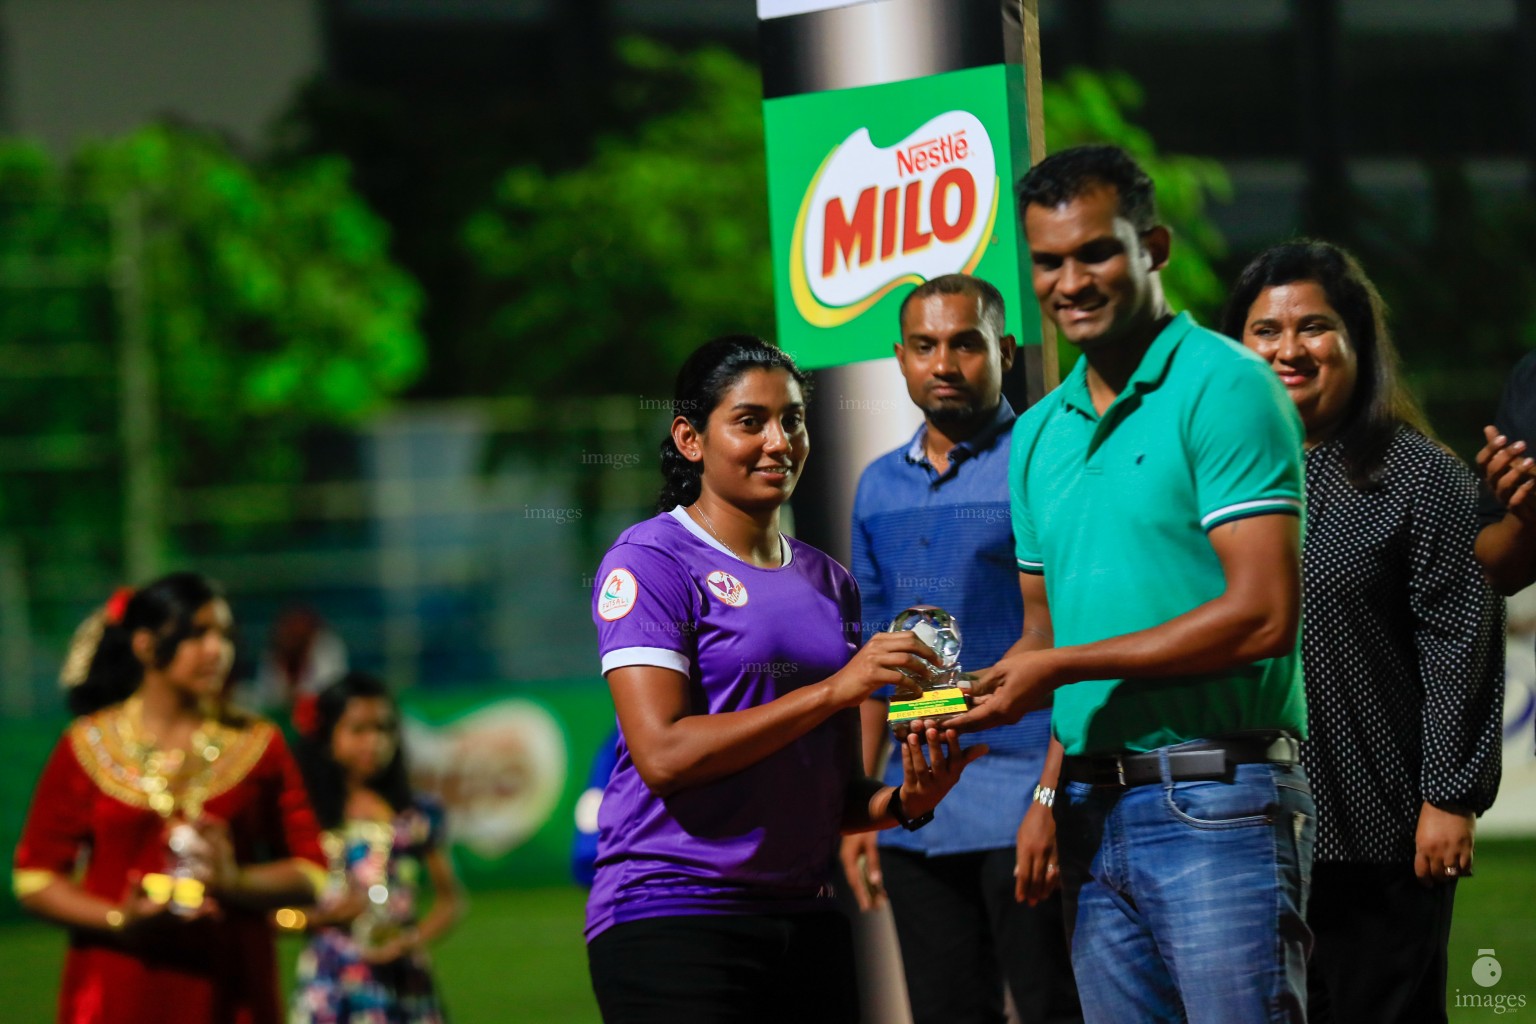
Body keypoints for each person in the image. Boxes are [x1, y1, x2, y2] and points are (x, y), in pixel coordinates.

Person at [938, 145, 1314, 1023]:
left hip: (1218, 799)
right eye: (1048, 261)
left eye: (1095, 251)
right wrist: (970, 698)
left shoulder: (1229, 388)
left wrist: (1058, 669)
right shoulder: (1036, 435)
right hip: (1088, 814)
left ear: (1155, 245)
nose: (1071, 280)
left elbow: (1263, 617)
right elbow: (1042, 638)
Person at [586, 334, 984, 1023]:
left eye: (793, 419)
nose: (779, 441)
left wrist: (908, 801)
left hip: (806, 917)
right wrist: (836, 688)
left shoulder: (829, 582)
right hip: (673, 916)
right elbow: (664, 755)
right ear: (689, 438)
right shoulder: (650, 561)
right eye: (750, 421)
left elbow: (832, 794)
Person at [1221, 239, 1504, 1023]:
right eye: (1264, 331)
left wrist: (1451, 797)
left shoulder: (1421, 477)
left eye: (1313, 327)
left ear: (1356, 341)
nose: (1288, 348)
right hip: (1236, 830)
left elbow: (1461, 644)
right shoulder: (1212, 479)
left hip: (1376, 833)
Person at [838, 273, 1079, 1024]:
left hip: (1025, 804)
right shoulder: (876, 486)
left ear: (1005, 350)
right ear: (901, 359)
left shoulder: (1045, 463)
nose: (944, 362)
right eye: (924, 345)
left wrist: (1048, 799)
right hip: (917, 813)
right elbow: (875, 673)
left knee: (1055, 1012)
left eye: (966, 343)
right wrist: (866, 810)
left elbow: (1078, 652)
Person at [13, 571, 327, 1024]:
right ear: (144, 644)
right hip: (117, 988)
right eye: (197, 634)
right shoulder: (88, 744)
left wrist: (235, 881)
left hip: (232, 989)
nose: (217, 650)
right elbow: (35, 878)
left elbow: (312, 870)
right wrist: (121, 920)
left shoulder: (260, 743)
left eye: (224, 635)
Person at [290, 671, 463, 1024]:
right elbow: (271, 910)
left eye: (383, 729)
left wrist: (411, 940)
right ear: (328, 737)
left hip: (401, 981)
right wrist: (319, 918)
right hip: (329, 982)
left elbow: (451, 899)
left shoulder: (415, 813)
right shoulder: (307, 815)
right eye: (358, 730)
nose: (374, 742)